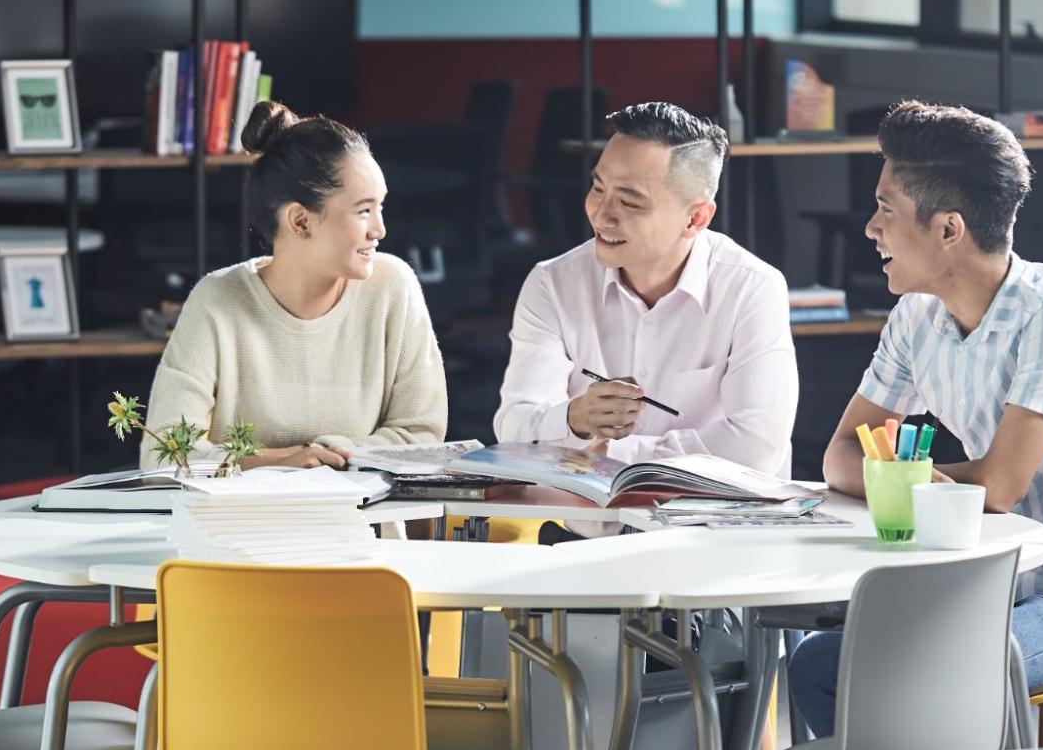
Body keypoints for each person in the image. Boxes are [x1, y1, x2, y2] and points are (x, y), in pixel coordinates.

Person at [789, 100, 1043, 738]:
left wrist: (901, 474)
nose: (870, 229)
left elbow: (997, 488)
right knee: (819, 665)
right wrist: (919, 480)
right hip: (995, 586)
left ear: (949, 229)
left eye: (886, 210)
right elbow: (841, 456)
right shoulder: (917, 315)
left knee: (933, 671)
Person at [493, 101, 798, 477]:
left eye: (629, 202)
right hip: (583, 514)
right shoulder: (553, 283)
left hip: (708, 513)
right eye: (598, 188)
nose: (601, 214)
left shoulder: (752, 288)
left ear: (695, 218)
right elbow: (513, 429)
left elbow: (757, 448)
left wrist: (614, 454)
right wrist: (575, 418)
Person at [140, 102, 446, 469]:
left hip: (365, 507)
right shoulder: (216, 302)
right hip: (243, 510)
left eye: (380, 207)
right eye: (364, 211)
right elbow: (163, 455)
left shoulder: (393, 287)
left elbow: (420, 434)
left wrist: (329, 454)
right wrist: (286, 460)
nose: (379, 230)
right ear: (300, 221)